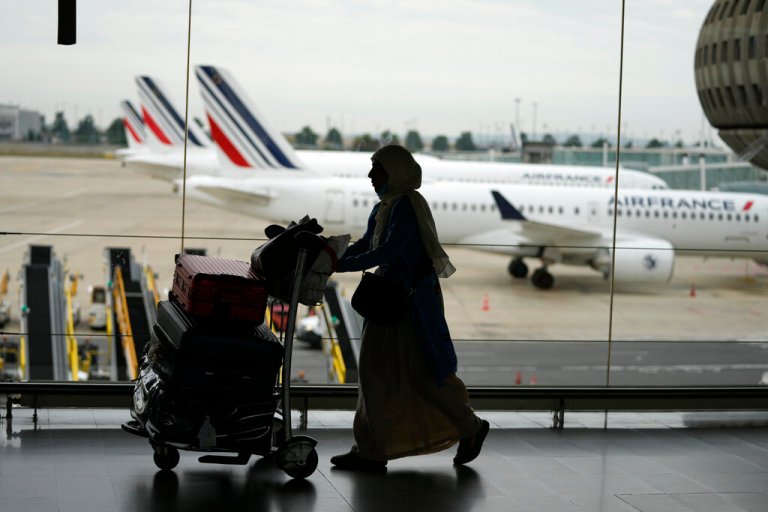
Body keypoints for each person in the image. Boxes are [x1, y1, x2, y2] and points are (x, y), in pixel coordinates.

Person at [330, 144, 489, 470]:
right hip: (390, 300)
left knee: (416, 373)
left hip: (409, 305)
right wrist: (332, 256)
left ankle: (468, 426)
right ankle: (372, 449)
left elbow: (387, 252)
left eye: (377, 169)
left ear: (396, 172)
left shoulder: (406, 207)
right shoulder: (385, 207)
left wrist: (339, 265)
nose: (370, 175)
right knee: (379, 373)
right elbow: (367, 244)